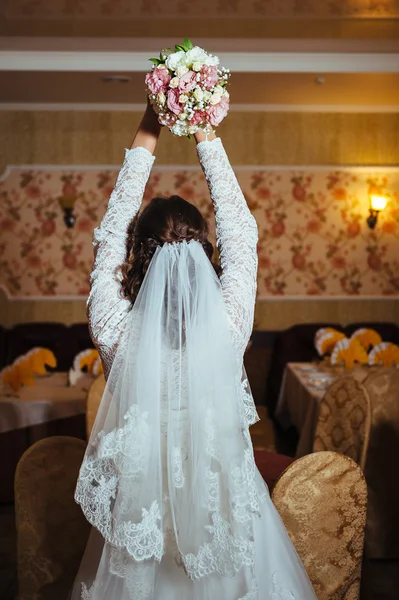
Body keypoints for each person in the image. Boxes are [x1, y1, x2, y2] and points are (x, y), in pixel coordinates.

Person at [70, 103, 317, 600]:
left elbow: (108, 235)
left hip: (141, 518)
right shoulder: (228, 325)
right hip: (221, 509)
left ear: (136, 255)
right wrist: (204, 131)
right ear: (205, 254)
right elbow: (242, 234)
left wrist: (150, 123)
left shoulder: (114, 327)